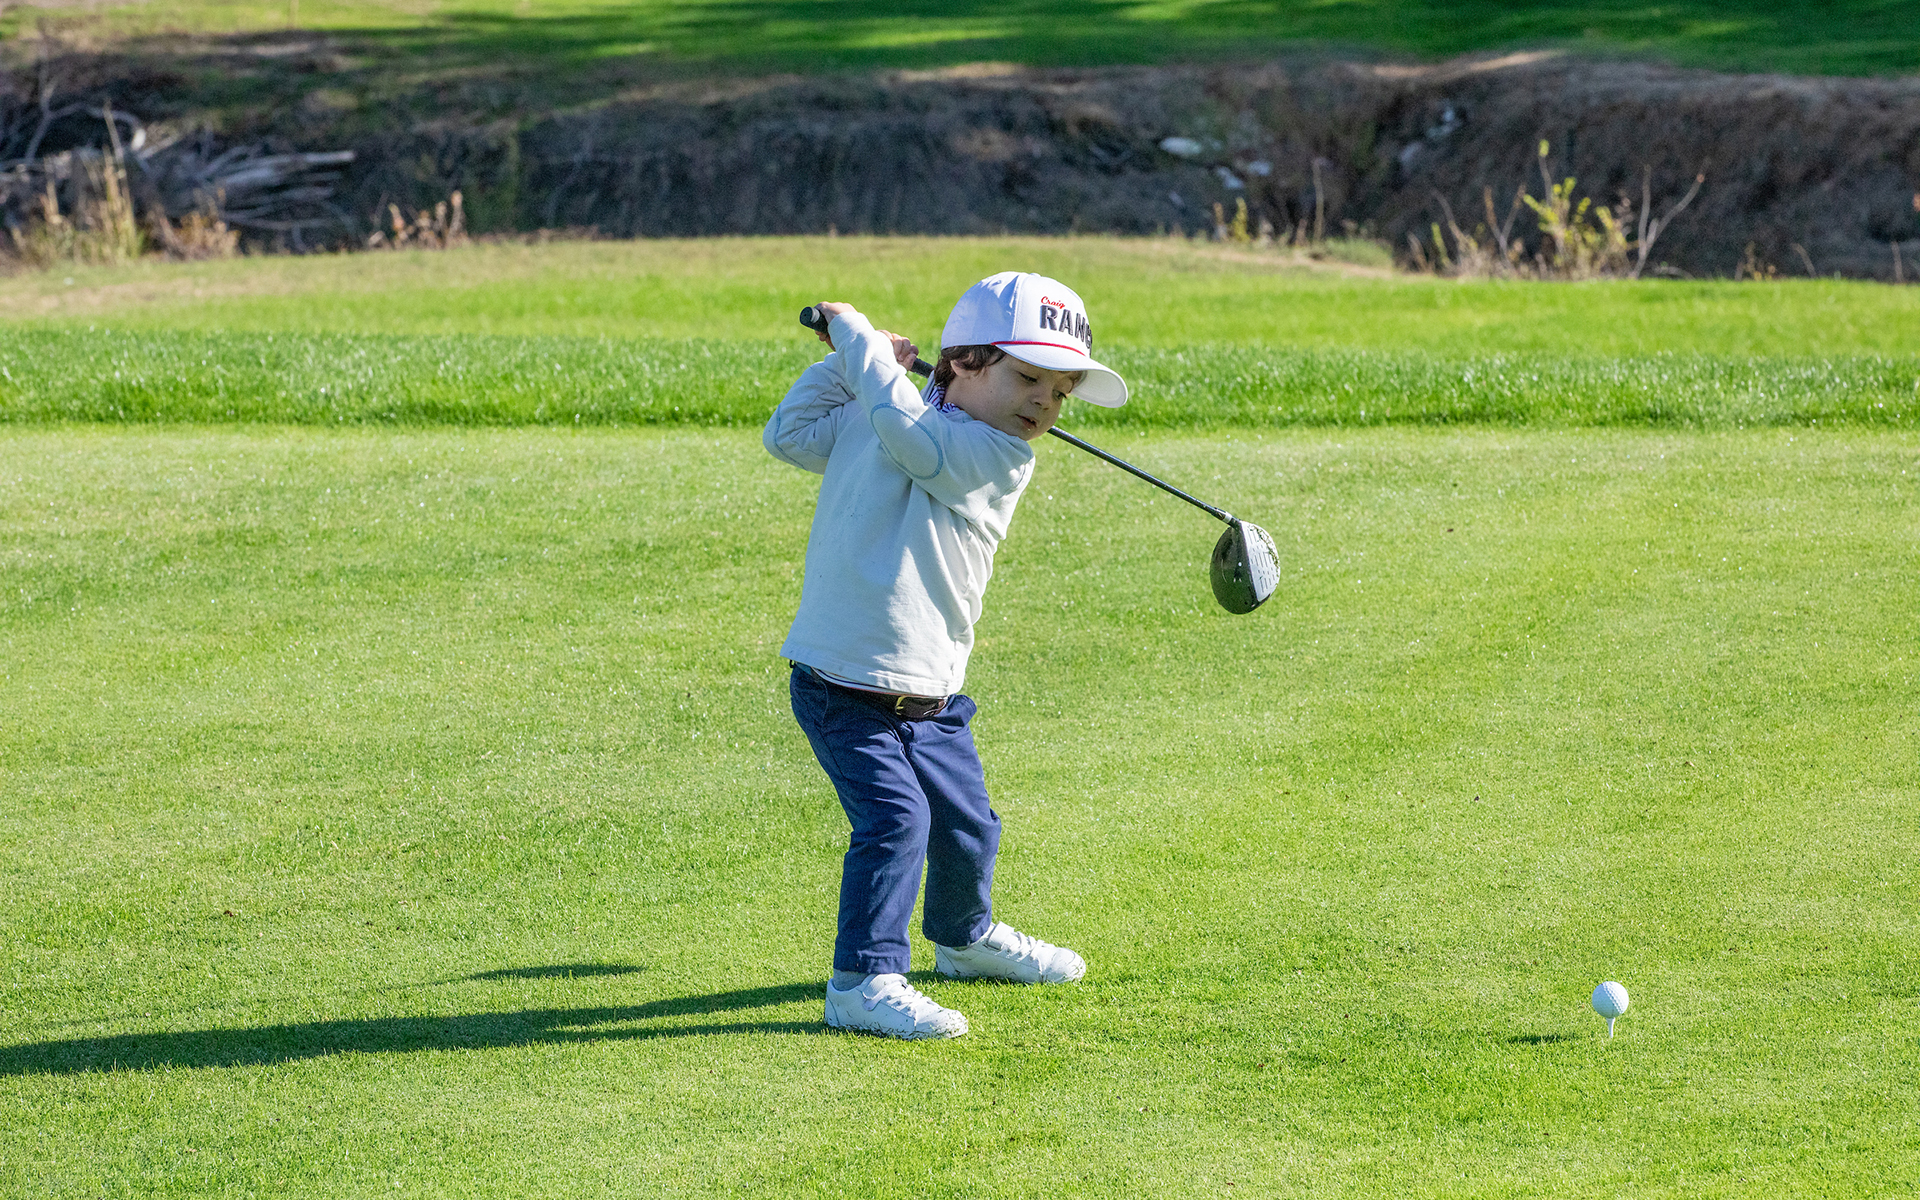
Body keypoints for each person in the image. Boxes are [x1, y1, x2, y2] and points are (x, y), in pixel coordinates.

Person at [763, 271, 1129, 1039]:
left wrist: (860, 345)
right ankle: (861, 983)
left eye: (1061, 393)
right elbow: (789, 437)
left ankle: (964, 940)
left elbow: (912, 438)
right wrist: (844, 365)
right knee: (896, 822)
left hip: (931, 693)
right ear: (964, 360)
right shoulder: (887, 410)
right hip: (840, 685)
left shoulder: (998, 455)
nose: (1045, 403)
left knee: (968, 825)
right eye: (1028, 378)